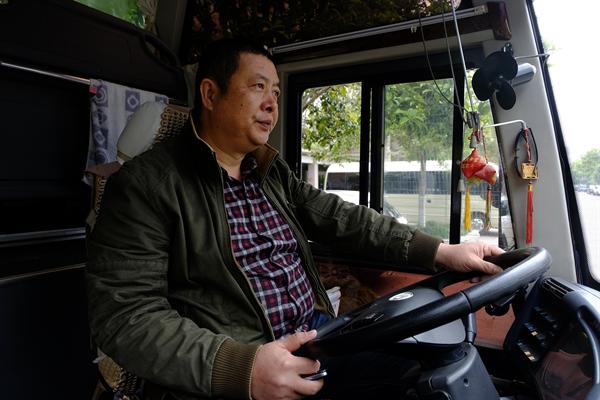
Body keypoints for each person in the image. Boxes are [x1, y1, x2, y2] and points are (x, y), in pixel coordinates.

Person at [86, 38, 504, 400]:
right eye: (257, 87)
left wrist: (441, 251)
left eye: (276, 91)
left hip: (318, 336)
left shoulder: (270, 173)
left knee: (433, 371)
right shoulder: (145, 186)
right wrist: (242, 369)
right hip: (250, 359)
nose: (272, 103)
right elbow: (126, 317)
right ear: (210, 94)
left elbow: (343, 218)